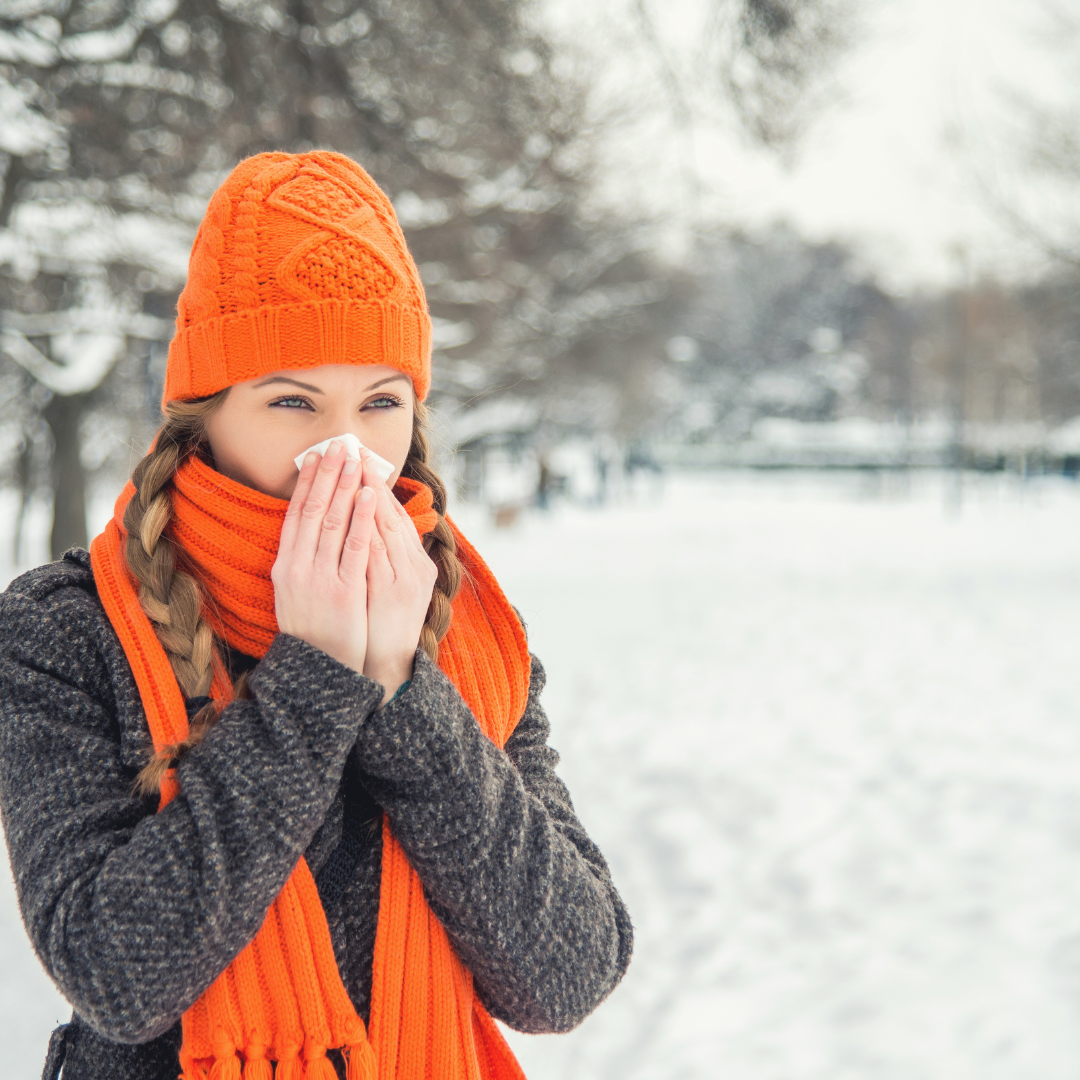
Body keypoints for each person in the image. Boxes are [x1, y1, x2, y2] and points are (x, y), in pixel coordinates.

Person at [0, 151, 632, 1080]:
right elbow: (116, 974)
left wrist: (403, 697)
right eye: (293, 400)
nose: (347, 449)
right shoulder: (67, 631)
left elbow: (567, 975)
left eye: (381, 402)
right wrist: (315, 679)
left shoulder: (468, 635)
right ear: (202, 418)